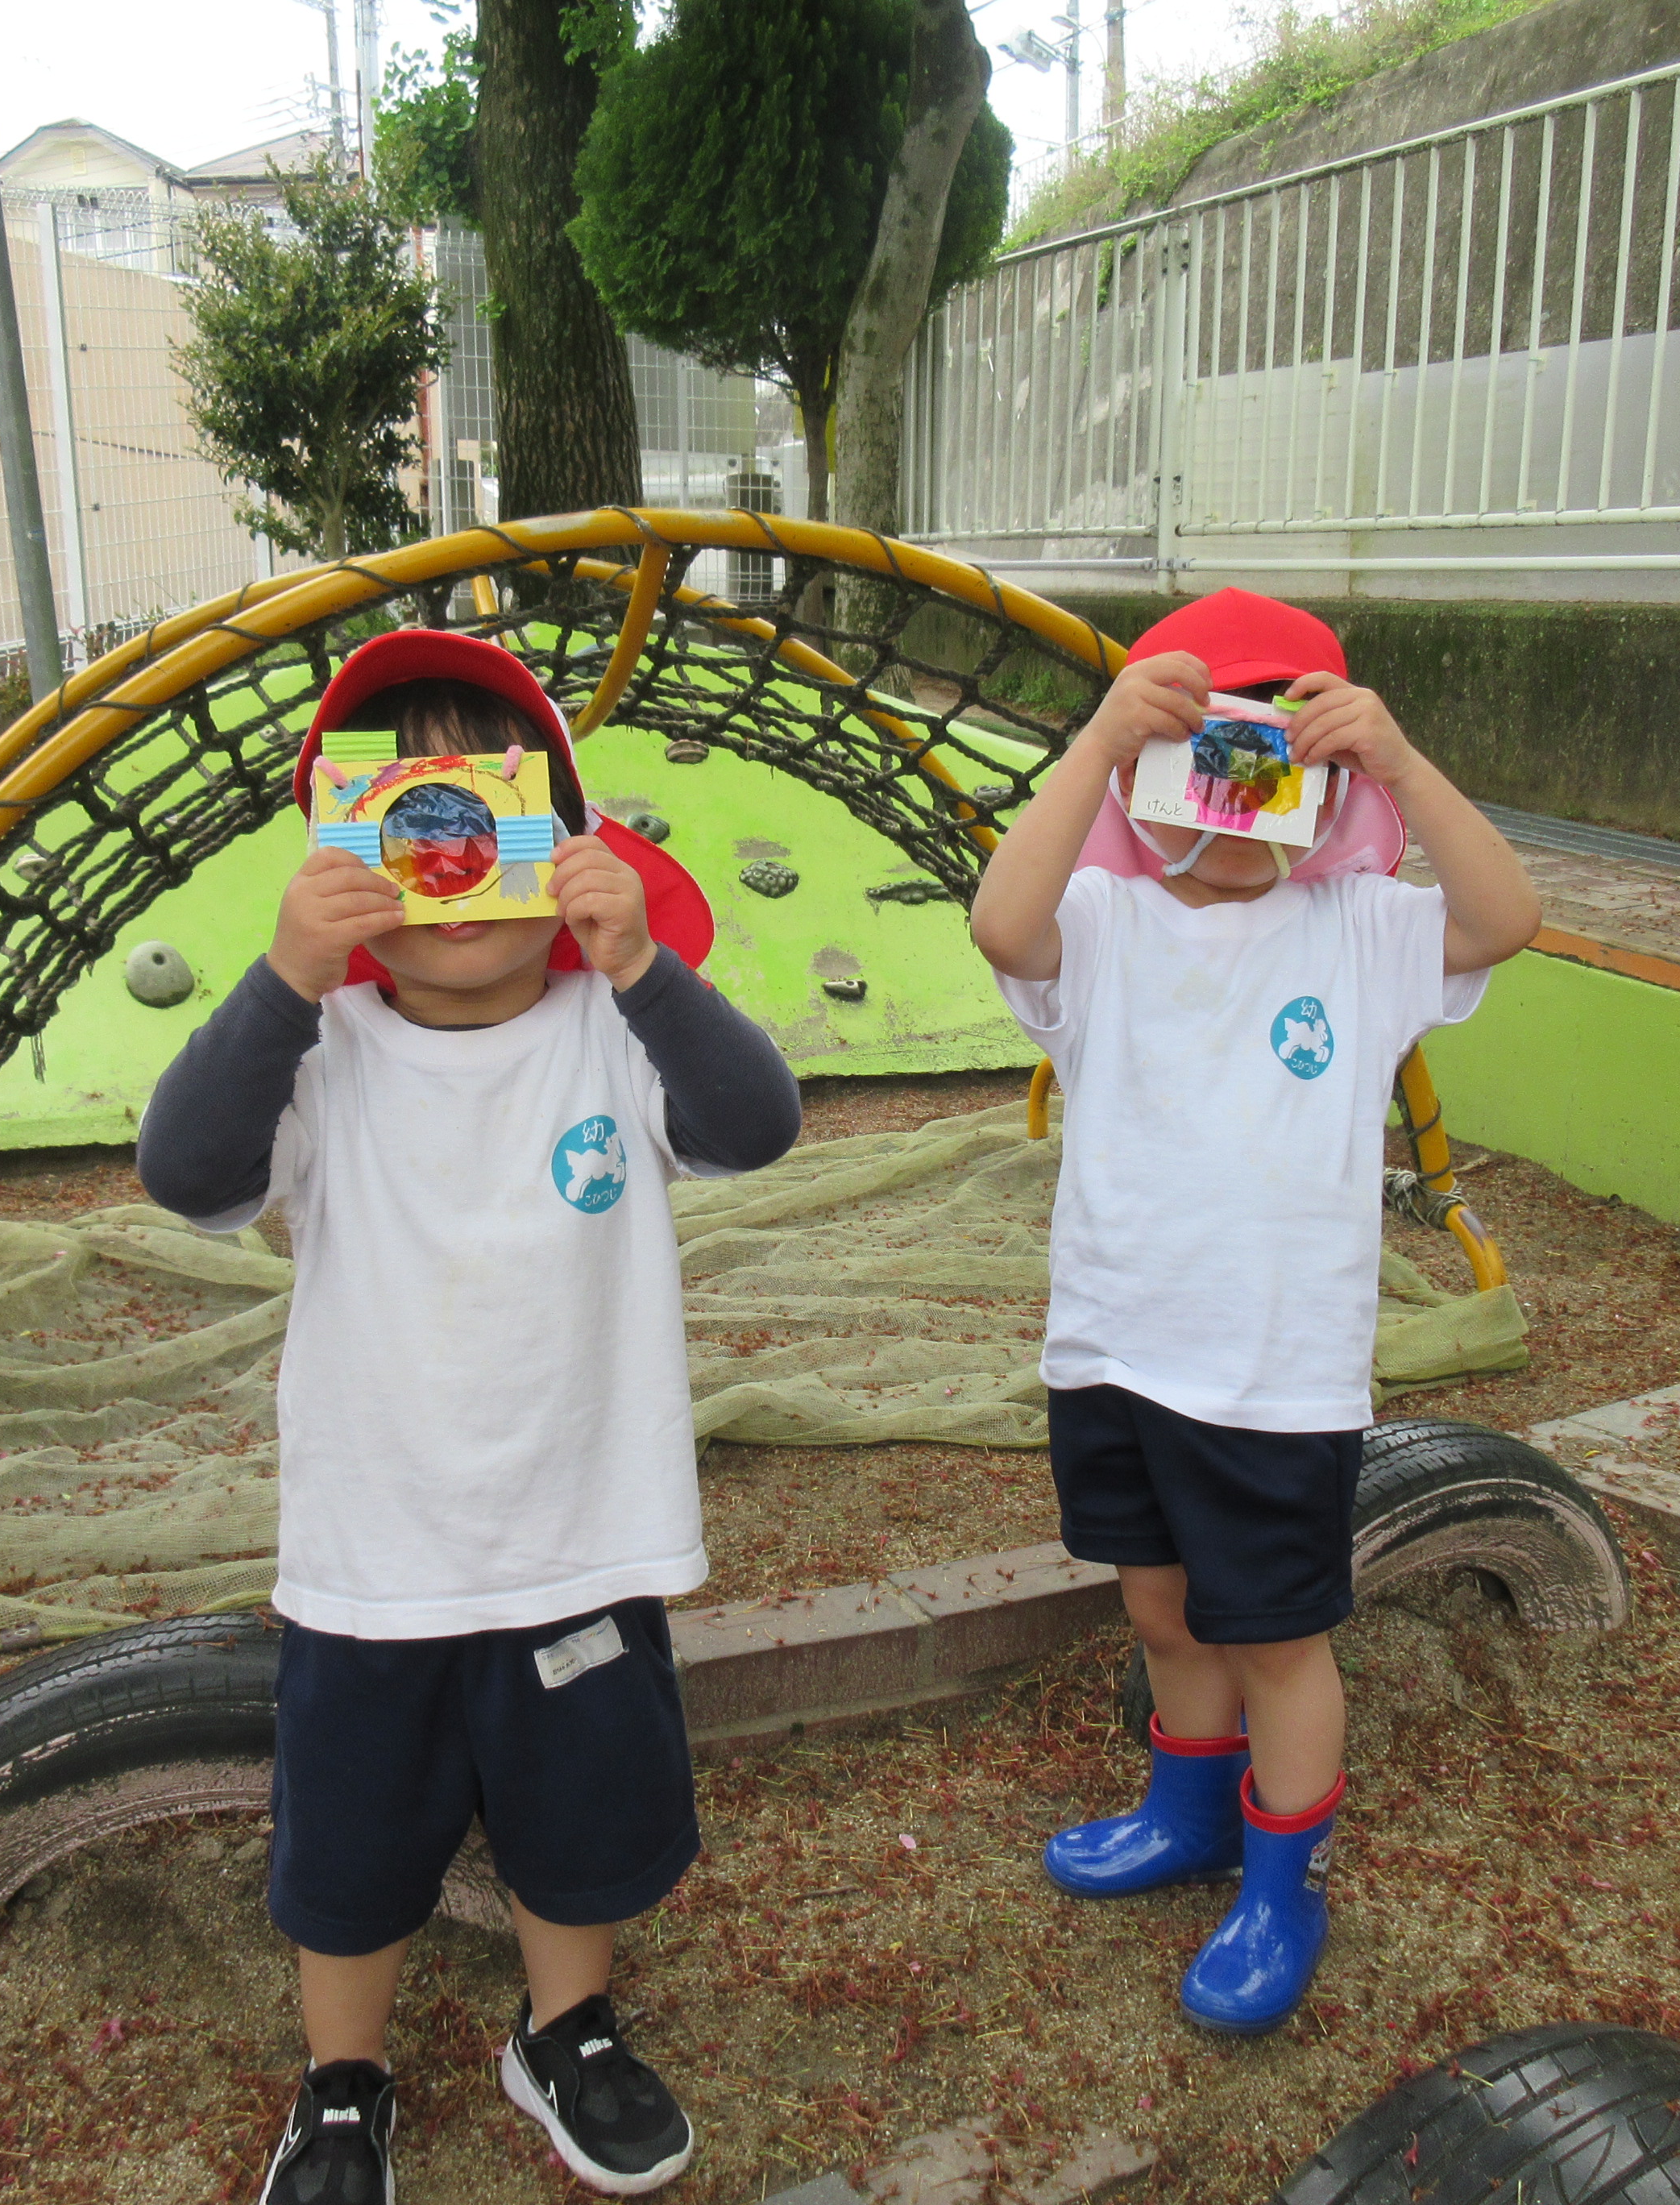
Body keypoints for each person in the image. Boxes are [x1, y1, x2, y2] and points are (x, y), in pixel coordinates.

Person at [136, 629, 801, 2201]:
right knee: (350, 1850)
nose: (449, 865)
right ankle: (343, 2082)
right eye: (400, 819)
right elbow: (187, 1171)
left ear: (564, 843)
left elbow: (757, 1125)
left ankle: (565, 2029)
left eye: (491, 814)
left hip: (584, 1539)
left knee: (584, 1820)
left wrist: (643, 962)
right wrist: (285, 979)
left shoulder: (613, 1035)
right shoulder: (324, 1056)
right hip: (378, 1561)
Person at [967, 588, 1541, 2035]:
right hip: (1116, 1351)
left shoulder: (1357, 930)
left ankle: (1286, 1883)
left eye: (1276, 759)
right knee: (1159, 1607)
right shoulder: (1103, 919)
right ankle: (1189, 1813)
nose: (1231, 797)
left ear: (1328, 792)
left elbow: (1509, 917)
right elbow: (1001, 920)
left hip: (1276, 1376)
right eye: (1195, 755)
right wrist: (1099, 739)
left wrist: (1398, 757)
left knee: (1278, 1640)